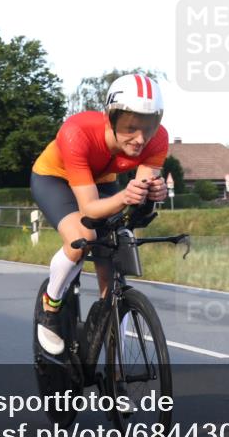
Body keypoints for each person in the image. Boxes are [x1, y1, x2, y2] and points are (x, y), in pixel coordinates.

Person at [30, 74, 168, 355]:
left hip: (102, 180)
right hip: (54, 179)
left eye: (148, 128)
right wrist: (123, 197)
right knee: (82, 238)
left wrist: (153, 193)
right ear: (110, 119)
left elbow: (138, 196)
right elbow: (90, 209)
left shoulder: (158, 139)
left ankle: (112, 340)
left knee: (115, 245)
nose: (140, 139)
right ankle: (51, 304)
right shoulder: (76, 131)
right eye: (130, 128)